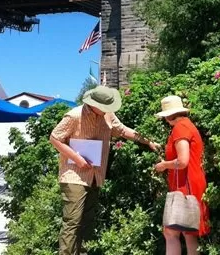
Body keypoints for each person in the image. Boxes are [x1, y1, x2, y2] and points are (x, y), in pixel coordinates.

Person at [50, 85, 160, 255]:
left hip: (95, 176)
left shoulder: (108, 115)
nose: (108, 110)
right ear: (94, 105)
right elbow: (55, 138)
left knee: (87, 222)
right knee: (72, 222)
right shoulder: (74, 116)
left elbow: (123, 130)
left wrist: (148, 141)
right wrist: (77, 158)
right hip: (74, 176)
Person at [154, 95, 210, 255]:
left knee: (171, 232)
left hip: (186, 184)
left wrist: (164, 165)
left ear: (169, 116)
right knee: (189, 232)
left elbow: (182, 161)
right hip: (191, 183)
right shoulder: (188, 125)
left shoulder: (180, 128)